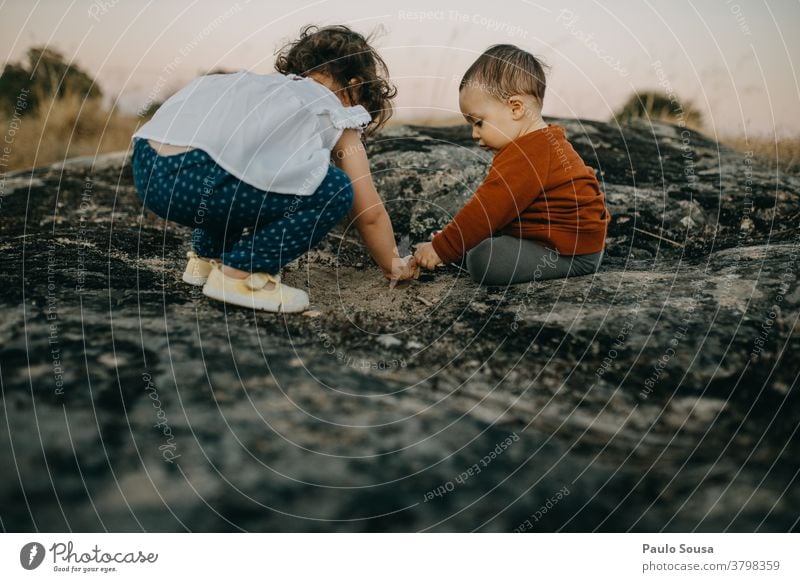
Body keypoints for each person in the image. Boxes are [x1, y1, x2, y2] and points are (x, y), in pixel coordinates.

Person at [131, 25, 416, 313]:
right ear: (354, 87)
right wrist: (395, 264)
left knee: (249, 168)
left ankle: (206, 260)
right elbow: (369, 213)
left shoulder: (259, 88)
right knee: (335, 188)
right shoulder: (334, 107)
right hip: (200, 177)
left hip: (148, 168)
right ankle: (240, 276)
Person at [414, 44, 611, 286]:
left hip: (569, 253)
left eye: (478, 122)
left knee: (483, 259)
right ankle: (462, 243)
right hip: (563, 242)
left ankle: (460, 247)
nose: (474, 134)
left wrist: (442, 249)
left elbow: (487, 209)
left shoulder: (528, 153)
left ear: (516, 109)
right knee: (485, 238)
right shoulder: (542, 142)